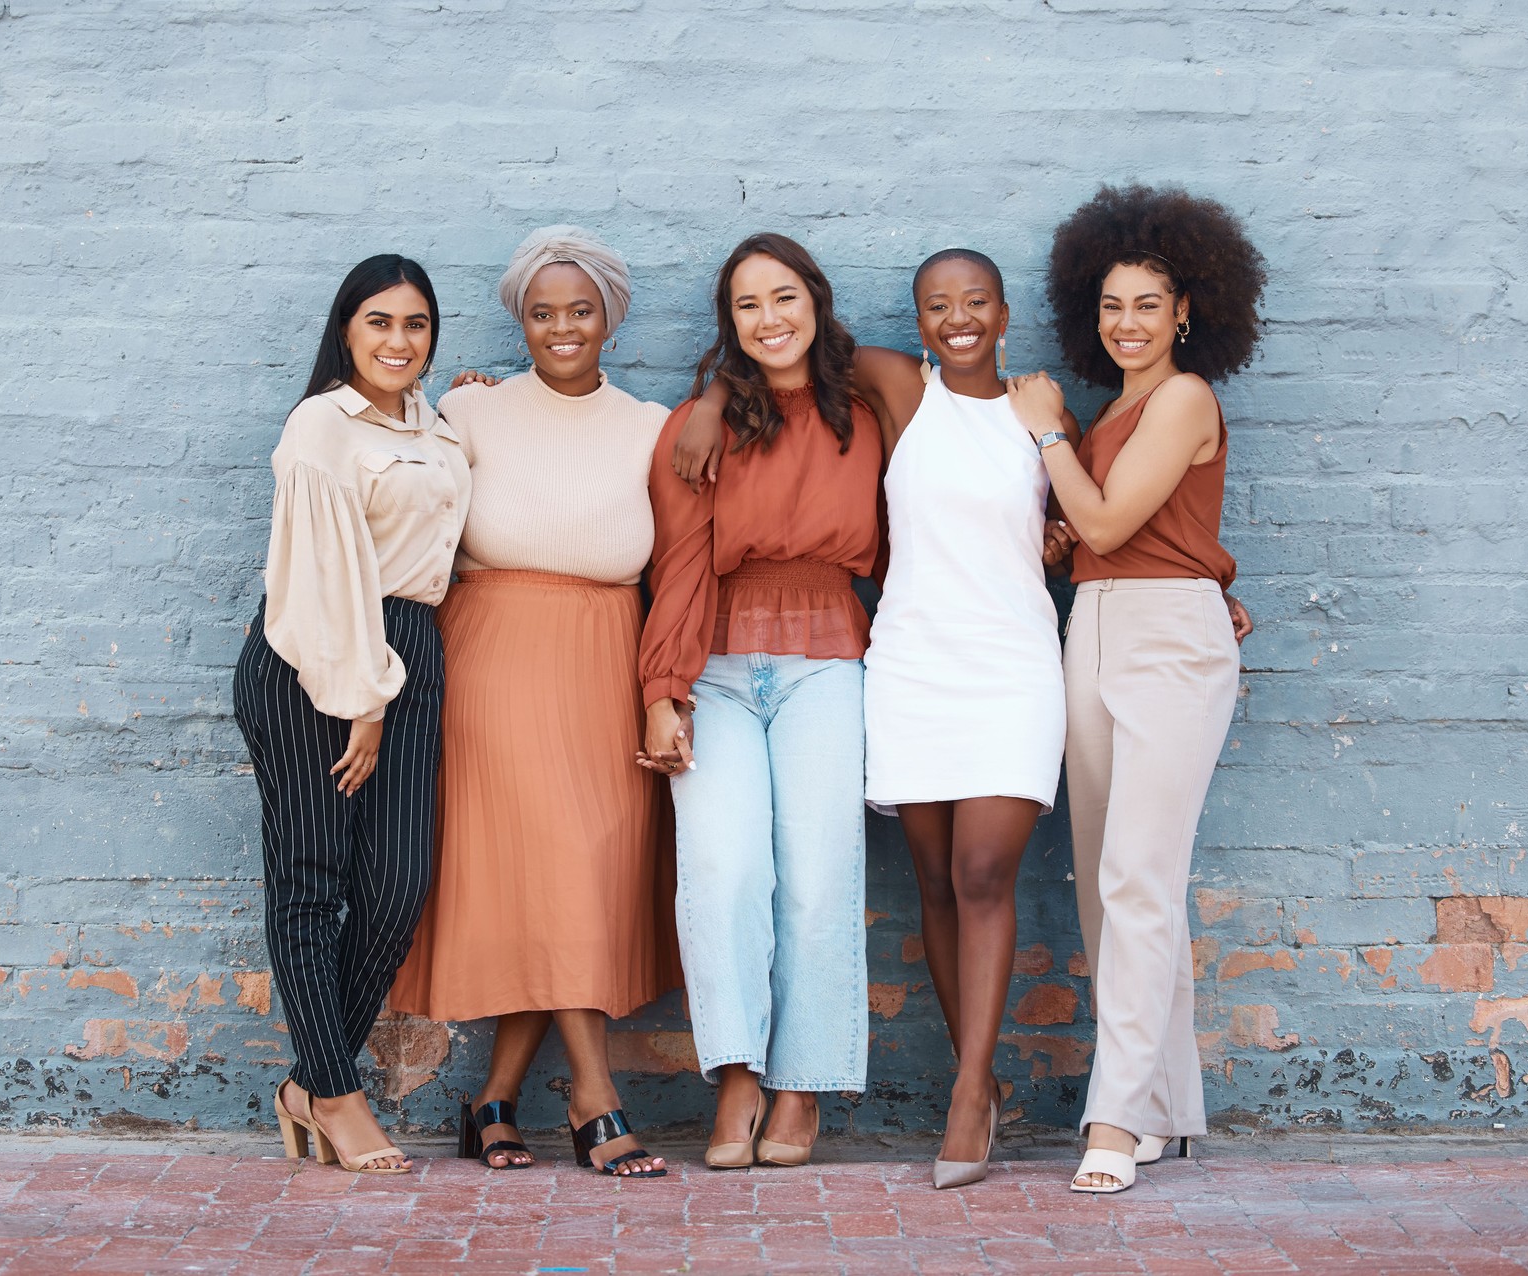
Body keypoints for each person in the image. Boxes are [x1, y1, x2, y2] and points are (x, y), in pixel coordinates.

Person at [670, 249, 1078, 1189]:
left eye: (976, 301)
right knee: (921, 879)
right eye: (938, 304)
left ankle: (963, 1089)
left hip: (996, 660)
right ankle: (760, 1079)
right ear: (918, 316)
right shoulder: (899, 381)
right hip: (905, 660)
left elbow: (1092, 523)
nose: (958, 317)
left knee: (960, 872)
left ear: (1006, 311)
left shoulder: (1044, 408)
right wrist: (704, 402)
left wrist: (1205, 587)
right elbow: (781, 356)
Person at [387, 226, 677, 1179]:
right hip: (495, 656)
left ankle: (492, 1100)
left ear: (611, 319)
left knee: (578, 874)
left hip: (605, 659)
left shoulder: (649, 425)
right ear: (519, 319)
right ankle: (595, 1096)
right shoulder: (469, 413)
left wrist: (661, 692)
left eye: (580, 311)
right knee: (557, 861)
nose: (561, 328)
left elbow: (674, 567)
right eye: (542, 312)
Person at [1007, 184, 1265, 1194]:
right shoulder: (1114, 408)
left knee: (1140, 877)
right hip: (1097, 629)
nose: (1127, 324)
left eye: (1147, 305)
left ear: (1187, 310)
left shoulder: (1183, 398)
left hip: (1166, 639)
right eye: (1111, 306)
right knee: (1109, 878)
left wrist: (1045, 438)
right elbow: (1107, 535)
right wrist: (1070, 525)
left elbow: (1115, 525)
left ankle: (1114, 1117)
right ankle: (1166, 1105)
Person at [638, 233, 880, 1170]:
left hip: (829, 659)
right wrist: (664, 692)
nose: (769, 319)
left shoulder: (868, 407)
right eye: (747, 306)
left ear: (814, 301)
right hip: (719, 670)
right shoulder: (694, 430)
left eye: (784, 298)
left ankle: (802, 1085)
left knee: (819, 876)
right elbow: (680, 566)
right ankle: (738, 1072)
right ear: (728, 323)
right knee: (724, 869)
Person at [232, 254, 470, 1175]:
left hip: (411, 645)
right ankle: (335, 1095)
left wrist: (468, 403)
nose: (398, 342)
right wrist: (363, 699)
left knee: (398, 880)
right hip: (316, 658)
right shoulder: (321, 426)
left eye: (415, 326)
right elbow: (324, 575)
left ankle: (306, 1080)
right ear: (346, 330)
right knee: (311, 881)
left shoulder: (437, 426)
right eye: (379, 323)